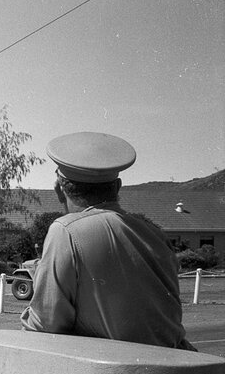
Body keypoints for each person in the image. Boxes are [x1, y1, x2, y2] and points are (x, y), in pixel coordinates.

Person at [20, 131, 194, 350]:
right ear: (118, 187)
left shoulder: (65, 231)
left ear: (59, 189)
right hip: (174, 361)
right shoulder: (153, 232)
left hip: (119, 368)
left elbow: (45, 324)